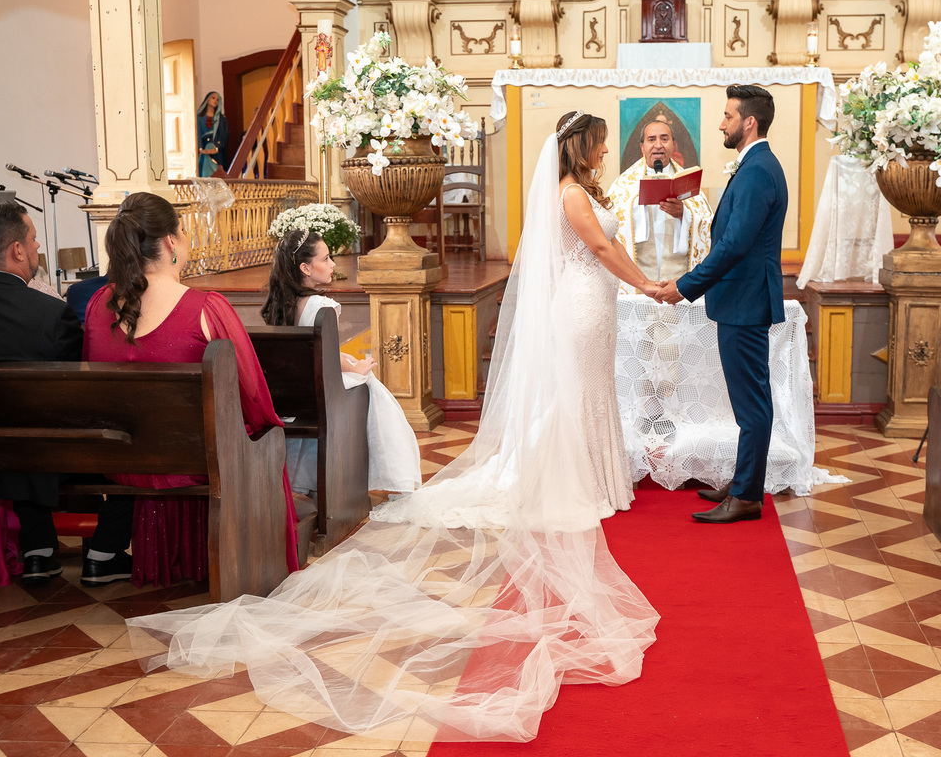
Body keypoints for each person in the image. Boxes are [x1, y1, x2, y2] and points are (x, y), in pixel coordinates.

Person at [125, 112, 660, 742]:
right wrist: (649, 285)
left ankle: (594, 472)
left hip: (142, 447)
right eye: (598, 143)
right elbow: (598, 248)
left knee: (588, 393)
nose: (604, 151)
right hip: (583, 302)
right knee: (574, 396)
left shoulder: (108, 311)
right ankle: (572, 472)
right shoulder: (569, 194)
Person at [84, 192, 300, 588]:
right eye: (183, 233)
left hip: (123, 460)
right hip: (194, 460)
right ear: (170, 242)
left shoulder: (99, 304)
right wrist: (270, 424)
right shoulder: (206, 307)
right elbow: (253, 396)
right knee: (269, 435)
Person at [657, 85, 788, 524]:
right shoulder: (755, 165)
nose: (721, 124)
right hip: (742, 298)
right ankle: (744, 480)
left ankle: (748, 495)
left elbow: (733, 244)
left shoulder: (755, 171)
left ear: (748, 122)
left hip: (745, 300)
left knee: (752, 405)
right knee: (749, 401)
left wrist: (686, 285)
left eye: (728, 116)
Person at [0, 202, 134, 587]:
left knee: (21, 437)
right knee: (130, 447)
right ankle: (103, 552)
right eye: (34, 240)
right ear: (17, 251)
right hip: (51, 451)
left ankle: (38, 550)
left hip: (9, 451)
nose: (38, 248)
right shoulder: (48, 313)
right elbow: (83, 385)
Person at [261, 228, 421, 496]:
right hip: (321, 394)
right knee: (370, 386)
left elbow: (314, 353)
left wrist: (347, 360)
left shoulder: (281, 305)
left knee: (359, 374)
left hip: (292, 397)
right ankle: (378, 476)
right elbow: (328, 360)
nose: (333, 265)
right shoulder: (324, 307)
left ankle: (310, 478)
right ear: (306, 268)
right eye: (325, 259)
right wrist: (357, 368)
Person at [607, 120, 713, 293]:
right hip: (639, 274)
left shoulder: (689, 183)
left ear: (673, 145)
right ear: (642, 147)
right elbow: (610, 228)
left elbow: (707, 223)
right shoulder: (623, 186)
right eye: (651, 139)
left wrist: (684, 214)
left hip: (677, 274)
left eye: (664, 139)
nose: (658, 145)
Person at [197, 91, 229, 177]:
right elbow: (198, 133)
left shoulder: (221, 119)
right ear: (207, 100)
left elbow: (224, 135)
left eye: (217, 99)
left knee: (217, 176)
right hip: (204, 151)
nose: (215, 101)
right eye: (213, 98)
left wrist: (217, 147)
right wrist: (200, 149)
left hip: (216, 151)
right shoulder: (199, 117)